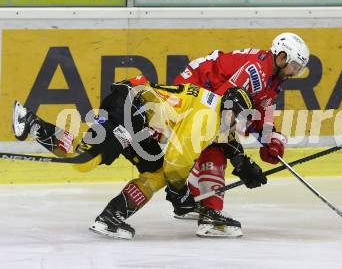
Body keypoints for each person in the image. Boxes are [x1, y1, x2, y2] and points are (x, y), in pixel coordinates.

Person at [12, 77, 266, 239]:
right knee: (87, 159)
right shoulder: (207, 117)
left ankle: (112, 217)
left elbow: (224, 139)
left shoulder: (216, 108)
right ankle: (33, 124)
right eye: (238, 118)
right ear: (230, 110)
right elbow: (177, 163)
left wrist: (243, 164)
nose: (237, 125)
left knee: (155, 172)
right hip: (129, 109)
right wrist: (180, 192)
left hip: (137, 115)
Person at [168, 33, 310, 225]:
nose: (294, 72)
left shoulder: (273, 78)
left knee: (217, 138)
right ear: (282, 57)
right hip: (193, 90)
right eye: (294, 66)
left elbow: (260, 112)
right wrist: (240, 160)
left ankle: (195, 201)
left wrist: (271, 140)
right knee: (216, 144)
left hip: (207, 94)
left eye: (299, 69)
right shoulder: (255, 72)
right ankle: (210, 216)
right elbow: (220, 110)